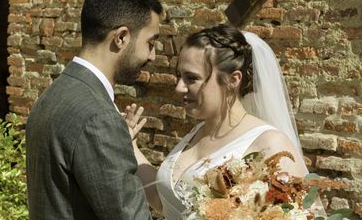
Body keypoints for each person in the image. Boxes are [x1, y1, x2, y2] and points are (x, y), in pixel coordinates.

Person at [124, 23, 310, 220]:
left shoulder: (270, 144)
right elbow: (164, 202)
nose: (179, 88)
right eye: (179, 76)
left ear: (233, 79)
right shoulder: (195, 133)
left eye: (191, 78)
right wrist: (130, 146)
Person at [26, 0, 162, 220]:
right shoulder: (98, 116)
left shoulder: (53, 94)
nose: (152, 56)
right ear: (121, 37)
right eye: (150, 43)